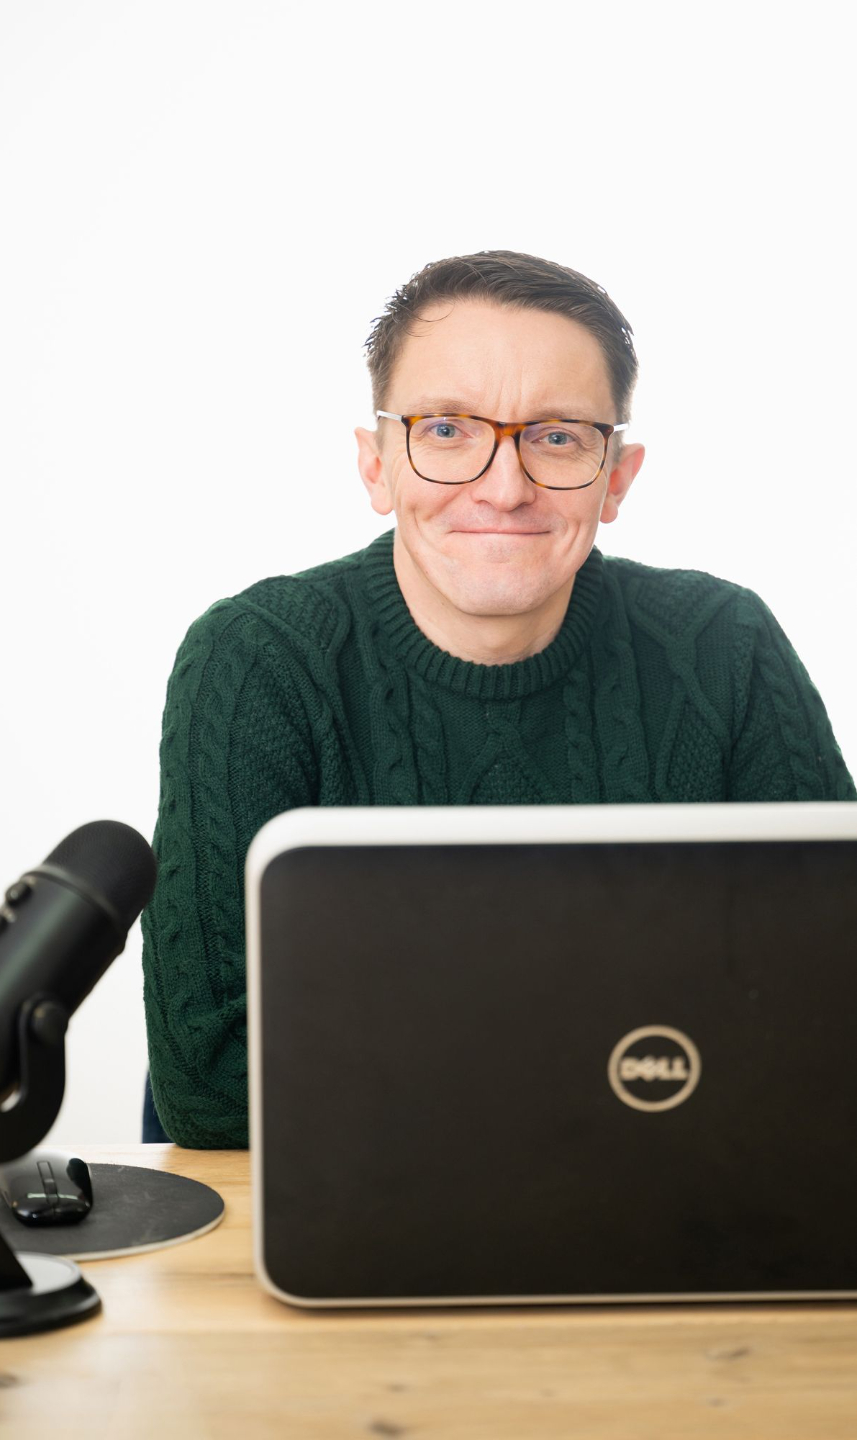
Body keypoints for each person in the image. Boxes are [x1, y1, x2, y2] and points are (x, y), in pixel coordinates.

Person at [141, 249, 856, 1149]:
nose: (504, 485)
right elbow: (209, 1082)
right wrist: (614, 1069)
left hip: (668, 1187)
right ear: (376, 465)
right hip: (361, 1210)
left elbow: (832, 1006)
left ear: (616, 479)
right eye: (446, 429)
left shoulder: (724, 643)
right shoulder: (257, 659)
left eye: (557, 436)